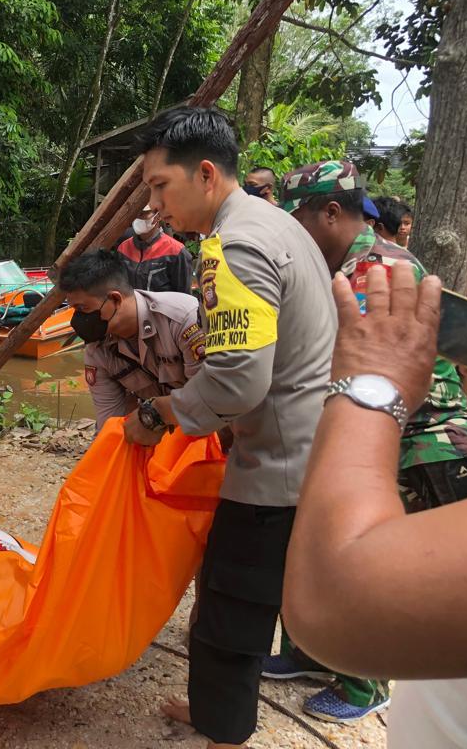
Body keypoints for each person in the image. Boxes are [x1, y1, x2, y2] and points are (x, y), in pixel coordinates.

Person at [123, 106, 336, 749]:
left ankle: (222, 731)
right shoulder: (276, 224)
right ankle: (218, 713)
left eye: (161, 186)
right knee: (242, 601)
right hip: (303, 446)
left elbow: (239, 380)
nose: (155, 206)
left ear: (206, 174)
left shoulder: (235, 246)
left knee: (228, 611)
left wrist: (158, 413)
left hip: (276, 470)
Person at [266, 160, 467, 723]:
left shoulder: (375, 270)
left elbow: (358, 372)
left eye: (298, 220)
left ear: (331, 212)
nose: (292, 235)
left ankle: (364, 687)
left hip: (421, 438)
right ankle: (309, 656)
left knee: (365, 558)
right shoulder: (346, 265)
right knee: (320, 531)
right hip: (374, 431)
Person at [58, 249, 206, 434]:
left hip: (208, 424)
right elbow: (109, 422)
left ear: (115, 299)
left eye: (82, 308)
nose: (78, 319)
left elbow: (207, 399)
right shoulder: (97, 350)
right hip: (159, 428)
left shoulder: (182, 320)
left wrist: (154, 415)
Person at [115, 205, 195, 294]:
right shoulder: (123, 248)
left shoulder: (176, 252)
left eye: (143, 213)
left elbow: (184, 296)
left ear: (158, 216)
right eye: (136, 213)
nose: (138, 217)